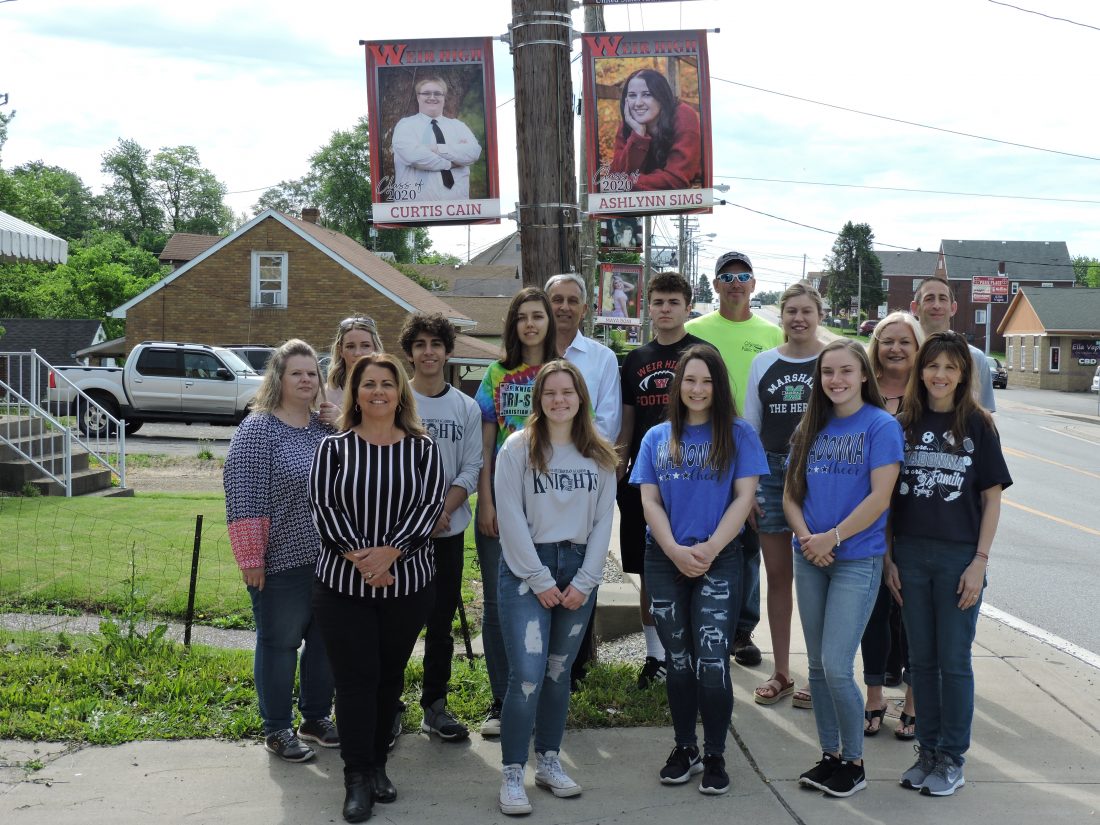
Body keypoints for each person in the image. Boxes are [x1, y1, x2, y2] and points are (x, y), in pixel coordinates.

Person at [309, 353, 447, 824]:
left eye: (387, 383)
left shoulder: (424, 449)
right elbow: (324, 511)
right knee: (354, 682)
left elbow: (429, 508)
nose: (379, 392)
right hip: (343, 588)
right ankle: (356, 777)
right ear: (356, 393)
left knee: (389, 679)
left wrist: (391, 554)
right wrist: (366, 561)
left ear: (400, 393)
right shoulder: (334, 449)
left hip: (407, 587)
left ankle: (380, 767)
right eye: (369, 384)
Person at [631, 345, 767, 796]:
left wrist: (709, 548)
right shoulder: (657, 437)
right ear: (677, 385)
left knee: (712, 663)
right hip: (664, 558)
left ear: (718, 386)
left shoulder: (740, 435)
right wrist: (672, 548)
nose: (697, 389)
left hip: (720, 558)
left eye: (707, 381)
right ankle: (684, 747)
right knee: (680, 662)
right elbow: (649, 500)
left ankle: (714, 753)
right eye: (690, 380)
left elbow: (744, 499)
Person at [887, 331, 1011, 796]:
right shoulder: (902, 424)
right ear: (921, 372)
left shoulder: (978, 424)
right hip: (911, 555)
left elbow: (992, 500)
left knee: (953, 660)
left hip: (959, 556)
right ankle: (928, 752)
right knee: (920, 662)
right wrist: (888, 557)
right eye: (932, 366)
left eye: (950, 368)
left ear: (963, 376)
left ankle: (952, 759)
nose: (940, 375)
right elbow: (885, 498)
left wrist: (980, 561)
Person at [494, 360, 618, 816]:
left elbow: (605, 520)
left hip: (578, 571)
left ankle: (548, 760)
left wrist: (586, 580)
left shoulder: (600, 455)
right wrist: (540, 578)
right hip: (530, 570)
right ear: (538, 399)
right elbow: (509, 518)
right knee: (526, 674)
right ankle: (511, 771)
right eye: (550, 393)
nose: (559, 400)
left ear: (581, 397)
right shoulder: (518, 449)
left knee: (558, 672)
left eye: (568, 392)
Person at [784, 339, 903, 799]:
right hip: (810, 557)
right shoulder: (810, 426)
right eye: (828, 372)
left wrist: (830, 539)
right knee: (815, 667)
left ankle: (854, 762)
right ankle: (829, 755)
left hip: (856, 560)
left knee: (837, 665)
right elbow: (790, 495)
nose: (836, 380)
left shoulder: (881, 426)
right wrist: (806, 540)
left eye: (846, 372)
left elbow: (880, 498)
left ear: (863, 376)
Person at [224, 339, 336, 763]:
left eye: (312, 373)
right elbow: (243, 495)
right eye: (297, 373)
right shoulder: (259, 429)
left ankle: (315, 718)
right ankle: (277, 728)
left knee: (324, 643)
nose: (306, 380)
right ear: (279, 378)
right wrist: (251, 558)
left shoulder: (322, 428)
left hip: (327, 560)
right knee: (280, 643)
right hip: (280, 561)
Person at [687, 251, 784, 669]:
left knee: (747, 544)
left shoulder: (771, 333)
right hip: (700, 450)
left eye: (743, 276)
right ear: (715, 285)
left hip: (751, 451)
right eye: (727, 277)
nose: (735, 283)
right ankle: (700, 621)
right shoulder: (695, 329)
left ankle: (741, 630)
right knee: (699, 534)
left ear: (754, 285)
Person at [617, 272, 709, 687]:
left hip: (695, 481)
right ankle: (655, 657)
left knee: (696, 566)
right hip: (646, 479)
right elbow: (628, 422)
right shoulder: (634, 360)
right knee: (649, 569)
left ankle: (691, 654)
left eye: (674, 301)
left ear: (688, 307)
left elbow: (722, 417)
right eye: (658, 302)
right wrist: (619, 463)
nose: (666, 309)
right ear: (648, 307)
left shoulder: (704, 354)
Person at [474, 287, 558, 736]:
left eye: (538, 316)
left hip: (552, 507)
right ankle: (502, 701)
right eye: (523, 316)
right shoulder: (496, 374)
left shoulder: (562, 373)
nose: (530, 324)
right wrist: (485, 498)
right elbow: (487, 444)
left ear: (549, 322)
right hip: (503, 503)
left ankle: (540, 700)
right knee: (498, 604)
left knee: (549, 601)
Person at [399, 312, 483, 743]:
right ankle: (389, 706)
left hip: (447, 532)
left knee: (440, 624)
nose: (428, 352)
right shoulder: (396, 401)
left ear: (447, 351)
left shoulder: (464, 406)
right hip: (399, 536)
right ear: (410, 353)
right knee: (395, 624)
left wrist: (440, 511)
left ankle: (435, 705)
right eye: (420, 345)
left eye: (436, 344)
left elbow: (470, 468)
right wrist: (419, 515)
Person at [743, 283, 826, 708]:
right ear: (781, 316)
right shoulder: (764, 363)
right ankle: (781, 672)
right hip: (773, 474)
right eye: (791, 311)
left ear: (818, 315)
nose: (798, 318)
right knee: (778, 576)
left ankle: (819, 673)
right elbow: (750, 431)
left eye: (806, 311)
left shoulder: (833, 360)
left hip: (822, 473)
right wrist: (751, 488)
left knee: (819, 577)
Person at [545, 272, 622, 688]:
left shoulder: (601, 359)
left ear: (586, 307)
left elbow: (606, 422)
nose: (564, 307)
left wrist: (571, 461)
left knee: (582, 561)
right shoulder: (527, 355)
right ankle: (536, 661)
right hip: (533, 480)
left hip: (586, 478)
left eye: (573, 299)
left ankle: (571, 667)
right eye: (556, 298)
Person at [860, 311, 924, 737]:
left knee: (913, 610)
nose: (896, 348)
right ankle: (875, 694)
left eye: (905, 341)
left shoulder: (930, 392)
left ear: (918, 348)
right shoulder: (862, 391)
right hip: (866, 514)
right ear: (876, 346)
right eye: (887, 340)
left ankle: (914, 701)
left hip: (918, 517)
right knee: (874, 610)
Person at [910, 277, 996, 412]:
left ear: (953, 308)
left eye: (942, 299)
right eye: (929, 299)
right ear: (915, 308)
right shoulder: (905, 353)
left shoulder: (975, 358)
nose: (936, 305)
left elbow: (985, 415)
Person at [391, 76, 482, 202]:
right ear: (418, 97)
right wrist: (451, 162)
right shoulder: (405, 125)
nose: (432, 97)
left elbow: (473, 152)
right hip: (414, 210)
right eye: (426, 93)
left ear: (444, 98)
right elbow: (413, 157)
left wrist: (434, 148)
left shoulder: (458, 126)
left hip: (458, 207)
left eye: (438, 93)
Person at [609, 68, 702, 192]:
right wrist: (638, 136)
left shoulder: (684, 116)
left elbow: (677, 180)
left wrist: (626, 183)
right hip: (638, 203)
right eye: (632, 96)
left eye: (647, 95)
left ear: (661, 97)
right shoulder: (630, 123)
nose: (638, 103)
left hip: (684, 199)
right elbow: (616, 175)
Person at [320, 315, 384, 428]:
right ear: (341, 351)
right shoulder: (324, 394)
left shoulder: (388, 392)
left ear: (375, 348)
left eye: (365, 346)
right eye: (350, 346)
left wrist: (342, 421)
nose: (358, 353)